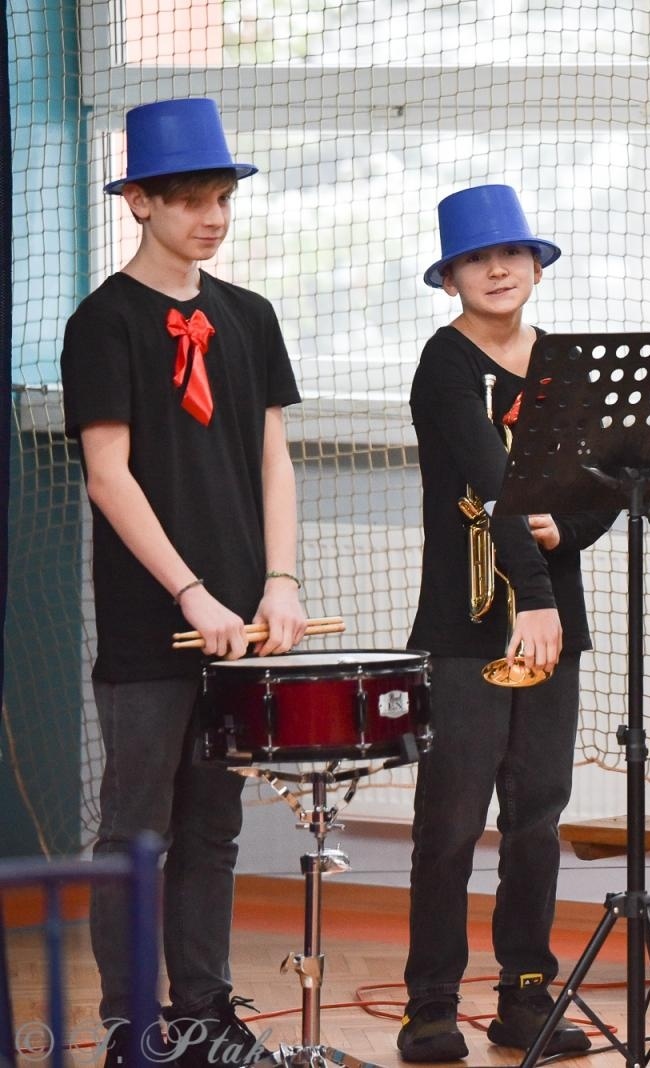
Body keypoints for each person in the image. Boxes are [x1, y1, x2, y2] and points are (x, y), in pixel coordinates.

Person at [61, 97, 307, 1068]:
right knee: (136, 828)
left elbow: (274, 461)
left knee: (215, 827)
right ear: (140, 205)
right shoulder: (103, 322)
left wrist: (277, 583)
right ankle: (134, 1027)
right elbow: (107, 475)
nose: (210, 216)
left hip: (245, 620)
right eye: (188, 200)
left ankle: (205, 1018)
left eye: (220, 198)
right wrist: (189, 594)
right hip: (151, 622)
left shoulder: (250, 317)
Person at [397, 184, 614, 1062]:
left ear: (536, 266)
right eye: (478, 259)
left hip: (550, 620)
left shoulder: (561, 361)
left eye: (514, 254)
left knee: (538, 813)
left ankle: (525, 995)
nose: (499, 269)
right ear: (450, 277)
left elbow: (604, 479)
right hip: (474, 625)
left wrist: (575, 529)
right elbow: (495, 489)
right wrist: (537, 596)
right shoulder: (445, 365)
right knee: (451, 820)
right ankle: (430, 1003)